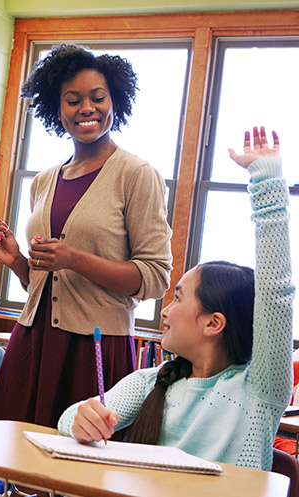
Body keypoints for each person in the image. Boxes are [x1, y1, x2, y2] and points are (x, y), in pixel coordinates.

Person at [58, 126, 293, 471]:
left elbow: (277, 294)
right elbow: (67, 422)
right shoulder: (151, 381)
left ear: (214, 323)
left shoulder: (259, 390)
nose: (165, 311)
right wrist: (80, 420)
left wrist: (266, 181)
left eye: (179, 299)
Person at [0, 44, 172, 427]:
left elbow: (155, 278)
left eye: (97, 97)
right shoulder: (44, 180)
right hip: (32, 337)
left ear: (114, 101)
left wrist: (75, 259)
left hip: (93, 346)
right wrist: (17, 260)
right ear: (58, 111)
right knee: (12, 457)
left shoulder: (136, 174)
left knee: (78, 466)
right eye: (73, 100)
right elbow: (44, 280)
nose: (86, 108)